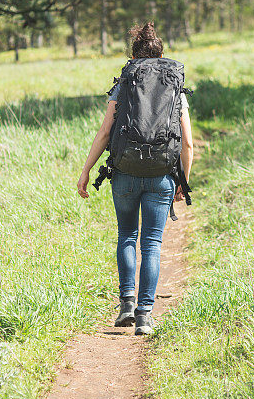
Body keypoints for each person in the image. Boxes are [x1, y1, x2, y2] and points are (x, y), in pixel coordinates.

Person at [77, 22, 194, 335]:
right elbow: (187, 142)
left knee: (127, 234)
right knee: (152, 243)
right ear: (160, 53)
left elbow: (105, 132)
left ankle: (126, 302)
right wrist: (184, 181)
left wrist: (87, 169)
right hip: (161, 175)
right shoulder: (174, 85)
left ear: (134, 55)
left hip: (125, 171)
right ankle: (144, 315)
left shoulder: (124, 82)